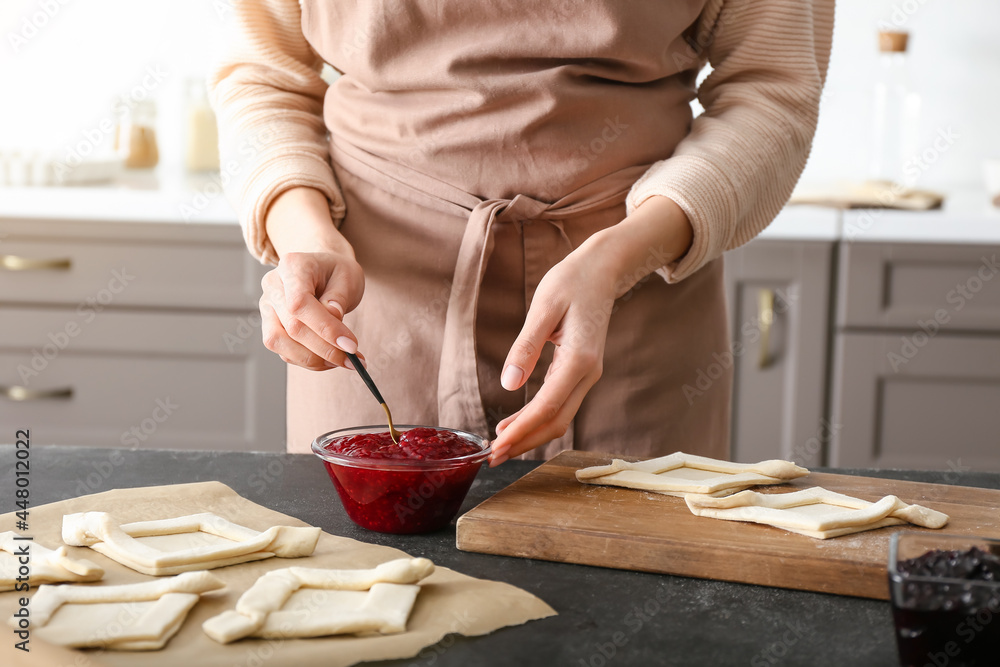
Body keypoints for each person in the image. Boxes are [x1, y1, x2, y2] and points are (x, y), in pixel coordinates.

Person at [210, 0, 834, 464]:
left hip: (633, 292)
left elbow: (771, 89)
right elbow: (262, 78)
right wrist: (307, 237)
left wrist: (622, 256)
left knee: (630, 599)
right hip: (378, 302)